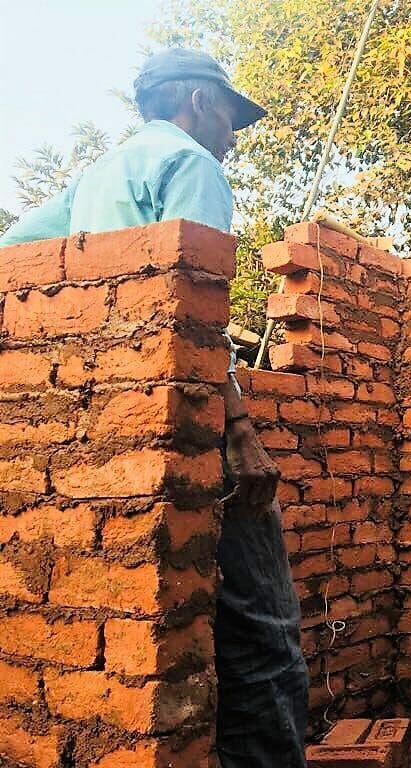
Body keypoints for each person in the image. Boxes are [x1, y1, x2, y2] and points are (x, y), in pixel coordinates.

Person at [0, 49, 308, 768]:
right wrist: (239, 430)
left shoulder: (95, 177)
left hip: (111, 436)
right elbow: (194, 317)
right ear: (199, 102)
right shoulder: (193, 164)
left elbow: (15, 255)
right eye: (231, 115)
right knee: (264, 640)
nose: (235, 134)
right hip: (194, 431)